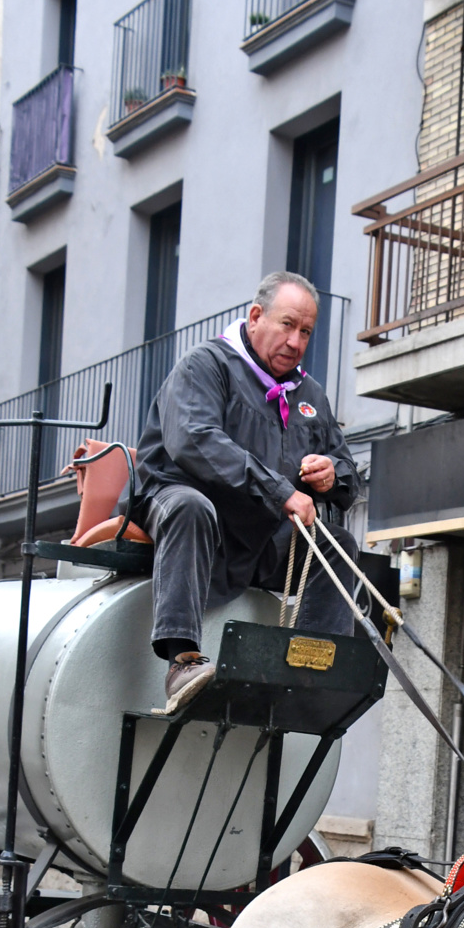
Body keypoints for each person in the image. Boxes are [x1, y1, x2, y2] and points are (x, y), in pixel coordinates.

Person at [131, 271, 361, 712]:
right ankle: (181, 661)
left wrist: (334, 474)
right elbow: (195, 441)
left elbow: (349, 470)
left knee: (337, 546)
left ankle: (315, 673)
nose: (296, 342)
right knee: (191, 506)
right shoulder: (205, 365)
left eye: (306, 332)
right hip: (184, 513)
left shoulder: (310, 394)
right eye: (287, 325)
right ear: (256, 317)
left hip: (256, 537)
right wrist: (280, 492)